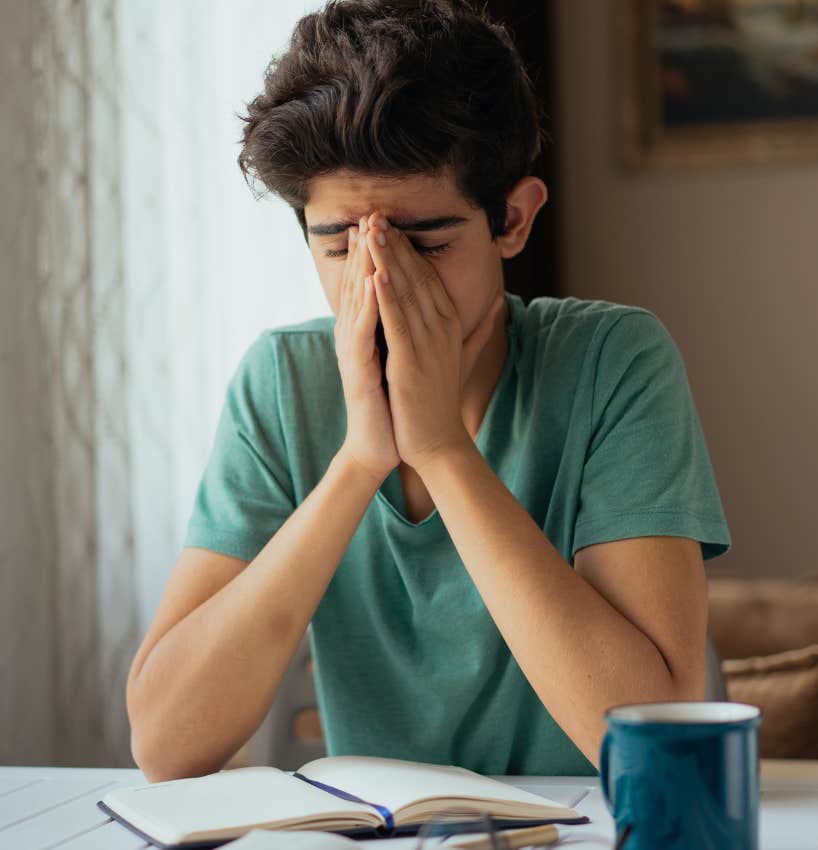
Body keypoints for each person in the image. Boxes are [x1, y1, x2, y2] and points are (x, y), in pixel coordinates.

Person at [125, 0, 731, 783]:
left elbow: (657, 741)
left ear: (512, 218)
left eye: (426, 243)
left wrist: (442, 448)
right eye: (341, 244)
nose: (380, 283)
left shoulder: (613, 362)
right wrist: (358, 463)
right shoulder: (280, 383)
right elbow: (164, 744)